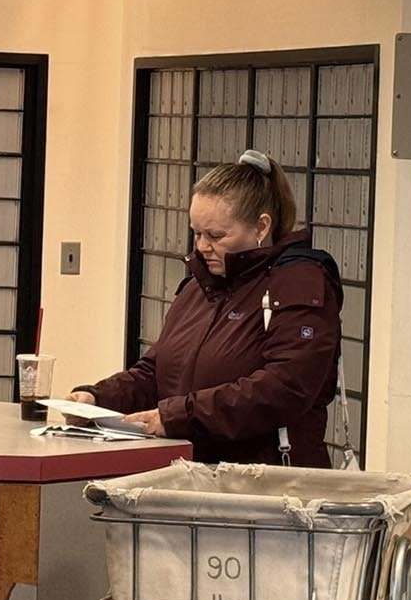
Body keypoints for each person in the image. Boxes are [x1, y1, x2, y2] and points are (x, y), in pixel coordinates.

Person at [68, 149, 343, 466]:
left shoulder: (299, 284)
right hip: (190, 472)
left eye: (216, 235)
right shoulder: (200, 285)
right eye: (196, 233)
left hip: (265, 484)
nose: (201, 246)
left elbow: (285, 387)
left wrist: (176, 417)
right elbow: (156, 373)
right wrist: (98, 399)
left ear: (261, 227)